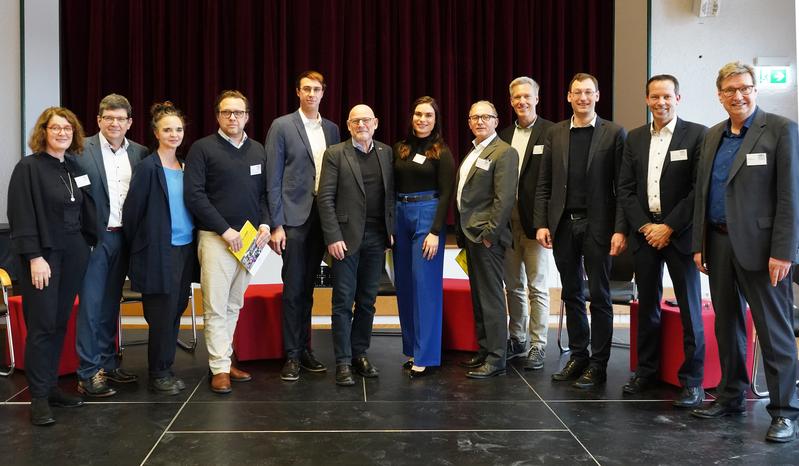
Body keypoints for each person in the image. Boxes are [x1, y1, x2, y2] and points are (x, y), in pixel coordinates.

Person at [691, 62, 799, 443]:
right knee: (727, 324)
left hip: (764, 250)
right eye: (730, 90)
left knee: (774, 330)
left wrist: (784, 252)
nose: (738, 95)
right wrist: (699, 245)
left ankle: (785, 411)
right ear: (719, 95)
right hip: (718, 243)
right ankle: (731, 395)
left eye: (745, 87)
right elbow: (703, 194)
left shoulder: (781, 130)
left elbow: (790, 196)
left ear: (756, 90)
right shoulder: (714, 135)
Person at [617, 75, 707, 406]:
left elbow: (698, 189)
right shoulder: (636, 138)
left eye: (667, 96)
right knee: (648, 307)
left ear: (678, 98)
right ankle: (646, 371)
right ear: (647, 100)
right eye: (654, 97)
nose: (661, 102)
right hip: (645, 235)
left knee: (690, 309)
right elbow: (625, 189)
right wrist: (644, 226)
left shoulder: (697, 134)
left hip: (679, 235)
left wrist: (668, 226)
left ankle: (693, 380)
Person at [534, 73, 627, 389]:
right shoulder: (555, 133)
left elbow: (622, 187)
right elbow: (544, 182)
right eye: (577, 93)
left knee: (599, 295)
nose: (583, 97)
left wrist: (619, 229)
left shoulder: (614, 133)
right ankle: (578, 355)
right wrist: (542, 222)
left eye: (589, 92)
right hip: (562, 225)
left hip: (598, 225)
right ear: (568, 96)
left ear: (598, 96)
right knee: (571, 293)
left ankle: (598, 364)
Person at [8, 107, 93, 425]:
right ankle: (39, 398)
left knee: (58, 323)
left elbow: (85, 207)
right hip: (43, 257)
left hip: (73, 255)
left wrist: (88, 241)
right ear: (43, 132)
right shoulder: (27, 168)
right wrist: (34, 257)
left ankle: (51, 387)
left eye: (67, 128)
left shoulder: (72, 166)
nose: (62, 133)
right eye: (55, 128)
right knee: (42, 325)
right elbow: (21, 215)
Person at [184, 90, 271, 394]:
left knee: (234, 303)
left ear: (247, 116)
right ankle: (218, 367)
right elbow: (194, 195)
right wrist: (224, 230)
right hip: (217, 239)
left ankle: (225, 358)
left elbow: (263, 195)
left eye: (238, 112)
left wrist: (264, 223)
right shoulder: (202, 149)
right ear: (217, 116)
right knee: (216, 306)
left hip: (249, 241)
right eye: (226, 112)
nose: (232, 118)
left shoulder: (258, 150)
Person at [265, 71, 340, 382]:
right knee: (294, 288)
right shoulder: (282, 126)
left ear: (323, 93)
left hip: (325, 218)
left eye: (317, 89)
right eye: (306, 88)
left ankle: (305, 348)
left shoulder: (333, 129)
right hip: (294, 219)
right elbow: (273, 176)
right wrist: (276, 224)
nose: (311, 94)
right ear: (297, 92)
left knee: (309, 288)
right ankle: (292, 355)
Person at [74, 94, 148, 397]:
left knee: (109, 305)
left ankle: (107, 363)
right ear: (98, 120)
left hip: (125, 239)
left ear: (130, 122)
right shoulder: (80, 151)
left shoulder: (141, 153)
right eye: (109, 118)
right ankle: (88, 372)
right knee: (90, 306)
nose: (114, 123)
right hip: (94, 239)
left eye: (121, 118)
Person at [317, 104, 394, 386]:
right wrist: (333, 237)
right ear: (348, 126)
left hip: (376, 239)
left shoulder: (386, 153)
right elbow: (325, 199)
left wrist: (391, 230)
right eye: (355, 121)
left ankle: (360, 353)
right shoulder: (336, 154)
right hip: (345, 241)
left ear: (375, 123)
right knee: (342, 301)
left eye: (366, 120)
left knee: (367, 301)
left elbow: (391, 196)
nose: (361, 125)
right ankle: (343, 361)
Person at [122, 102, 194, 396]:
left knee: (176, 309)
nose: (174, 134)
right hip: (158, 253)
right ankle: (158, 374)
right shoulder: (148, 168)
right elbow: (132, 215)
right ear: (156, 132)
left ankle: (166, 365)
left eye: (178, 129)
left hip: (184, 250)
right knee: (161, 314)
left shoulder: (185, 165)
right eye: (167, 129)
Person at [456, 100, 518, 379]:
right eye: (474, 117)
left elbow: (504, 200)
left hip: (486, 238)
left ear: (496, 120)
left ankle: (496, 358)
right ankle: (484, 350)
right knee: (480, 297)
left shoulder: (504, 152)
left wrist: (489, 235)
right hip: (471, 235)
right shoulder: (475, 150)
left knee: (492, 298)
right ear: (469, 122)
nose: (480, 121)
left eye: (486, 117)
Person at [393, 96, 454, 378]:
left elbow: (446, 195)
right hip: (400, 214)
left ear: (435, 119)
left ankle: (427, 355)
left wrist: (435, 231)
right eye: (418, 114)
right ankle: (413, 350)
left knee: (424, 286)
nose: (422, 119)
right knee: (405, 286)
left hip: (427, 216)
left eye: (428, 115)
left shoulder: (442, 152)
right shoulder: (400, 149)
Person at [498, 77, 554, 370]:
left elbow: (555, 181)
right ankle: (517, 338)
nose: (522, 101)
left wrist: (547, 222)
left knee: (537, 286)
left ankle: (538, 344)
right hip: (508, 222)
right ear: (511, 101)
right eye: (517, 97)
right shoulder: (504, 135)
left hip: (536, 222)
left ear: (537, 98)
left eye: (527, 96)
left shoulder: (552, 132)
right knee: (513, 286)